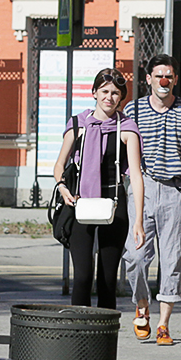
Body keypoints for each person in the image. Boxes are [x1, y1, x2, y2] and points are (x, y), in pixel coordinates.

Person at [126, 54, 181, 346]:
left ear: (175, 79)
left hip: (176, 191)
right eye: (158, 75)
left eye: (169, 76)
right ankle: (142, 305)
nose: (164, 81)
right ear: (148, 79)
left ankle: (163, 324)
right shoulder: (133, 111)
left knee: (172, 258)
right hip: (142, 188)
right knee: (135, 257)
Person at [50, 69, 144, 312]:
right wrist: (62, 187)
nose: (109, 97)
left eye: (115, 93)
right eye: (104, 91)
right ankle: (78, 331)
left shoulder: (127, 128)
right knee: (82, 276)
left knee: (106, 279)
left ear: (121, 97)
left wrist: (139, 220)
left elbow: (135, 175)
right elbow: (60, 164)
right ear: (94, 93)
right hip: (81, 203)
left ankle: (103, 338)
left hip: (113, 203)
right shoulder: (77, 124)